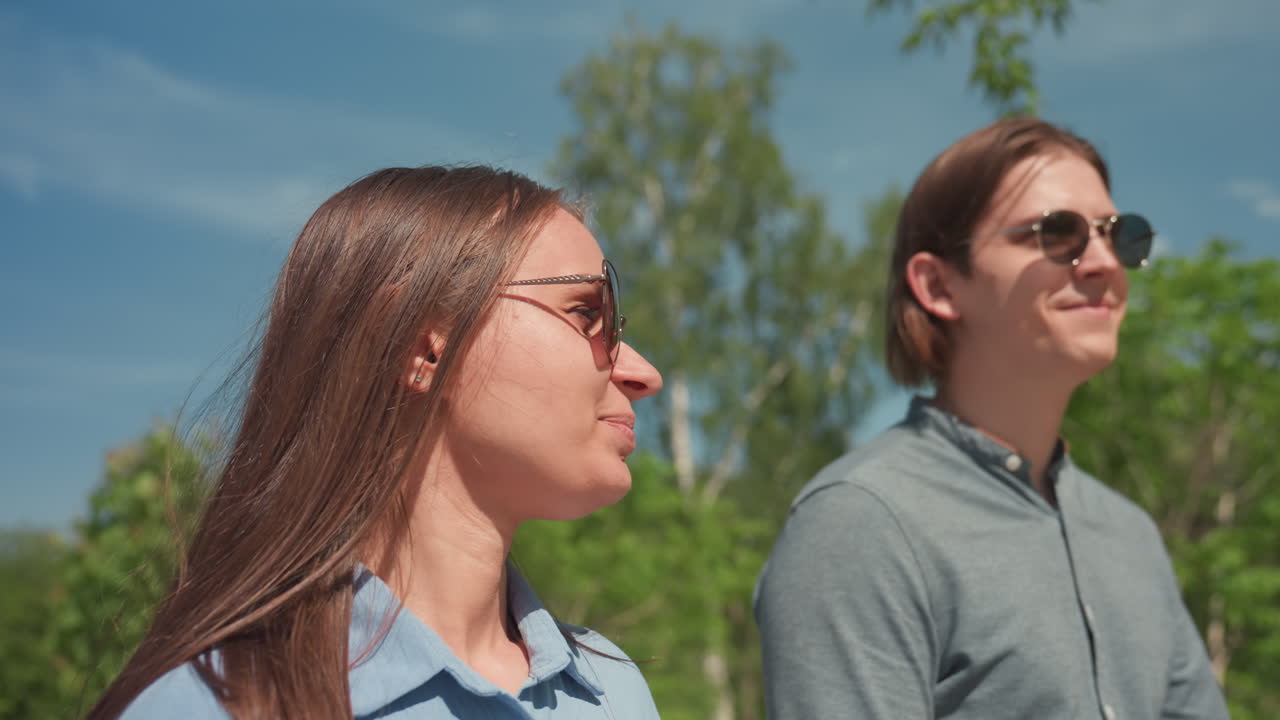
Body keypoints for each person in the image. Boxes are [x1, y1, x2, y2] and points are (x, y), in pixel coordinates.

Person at [90, 165, 664, 719]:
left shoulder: (613, 691)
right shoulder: (212, 708)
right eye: (587, 313)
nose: (642, 373)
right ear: (423, 348)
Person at [754, 118, 1230, 719]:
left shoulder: (1131, 536)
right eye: (1059, 234)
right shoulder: (860, 525)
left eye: (1120, 234)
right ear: (939, 284)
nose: (1103, 261)